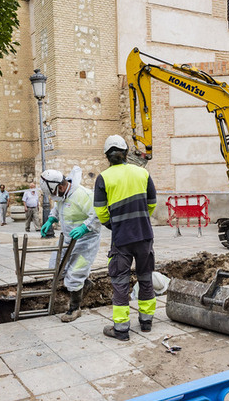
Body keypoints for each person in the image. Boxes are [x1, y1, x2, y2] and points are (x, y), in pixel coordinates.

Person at [94, 135, 157, 341]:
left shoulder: (103, 178)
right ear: (127, 153)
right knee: (145, 277)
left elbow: (101, 211)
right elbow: (152, 203)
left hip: (121, 238)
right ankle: (146, 322)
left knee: (120, 282)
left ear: (107, 157)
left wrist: (116, 225)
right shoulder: (142, 173)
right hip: (144, 235)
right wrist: (140, 220)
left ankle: (121, 329)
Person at [40, 168, 101, 322]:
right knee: (56, 267)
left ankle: (74, 308)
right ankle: (84, 284)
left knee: (75, 273)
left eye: (53, 194)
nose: (54, 197)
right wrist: (51, 219)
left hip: (86, 241)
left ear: (60, 187)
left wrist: (85, 227)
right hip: (68, 238)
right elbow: (57, 206)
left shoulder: (83, 195)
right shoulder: (62, 194)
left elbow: (98, 214)